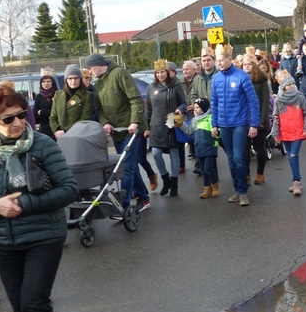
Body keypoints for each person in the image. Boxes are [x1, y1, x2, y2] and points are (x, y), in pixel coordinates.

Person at [0, 85, 78, 312]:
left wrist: (23, 204)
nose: (17, 123)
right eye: (8, 119)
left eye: (21, 115)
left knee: (35, 304)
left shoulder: (43, 145)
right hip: (4, 241)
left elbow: (68, 190)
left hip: (44, 236)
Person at [85, 52, 151, 212]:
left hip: (130, 129)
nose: (89, 71)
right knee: (130, 165)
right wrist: (105, 122)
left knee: (126, 167)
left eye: (90, 68)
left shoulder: (120, 73)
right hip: (116, 131)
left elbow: (135, 99)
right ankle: (143, 196)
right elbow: (99, 109)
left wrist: (135, 121)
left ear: (99, 64)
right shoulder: (99, 83)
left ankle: (124, 205)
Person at [210, 44, 260, 207]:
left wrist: (254, 124)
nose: (219, 63)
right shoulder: (216, 79)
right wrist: (214, 124)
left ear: (230, 59)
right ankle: (237, 190)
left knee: (239, 157)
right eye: (217, 61)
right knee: (231, 159)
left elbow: (253, 101)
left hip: (240, 123)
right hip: (224, 125)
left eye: (221, 60)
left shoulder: (241, 77)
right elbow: (214, 103)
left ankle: (244, 192)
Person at [145, 59, 187, 197]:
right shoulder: (151, 87)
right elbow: (148, 109)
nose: (160, 75)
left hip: (171, 121)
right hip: (156, 125)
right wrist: (147, 126)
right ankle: (165, 179)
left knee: (174, 154)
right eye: (158, 72)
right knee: (156, 153)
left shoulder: (175, 85)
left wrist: (180, 110)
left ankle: (174, 183)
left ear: (168, 72)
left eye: (163, 72)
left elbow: (184, 103)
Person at [272, 74, 306, 196]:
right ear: (283, 87)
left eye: (292, 83)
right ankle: (296, 180)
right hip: (285, 133)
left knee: (293, 155)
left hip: (298, 132)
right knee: (290, 156)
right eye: (288, 84)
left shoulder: (300, 97)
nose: (291, 86)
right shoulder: (278, 100)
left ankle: (296, 182)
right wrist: (276, 132)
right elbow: (276, 117)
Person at [178, 97, 220, 198]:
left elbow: (218, 132)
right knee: (203, 170)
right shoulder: (194, 120)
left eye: (198, 107)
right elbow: (189, 131)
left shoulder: (211, 118)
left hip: (210, 148)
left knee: (208, 168)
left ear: (204, 108)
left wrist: (217, 132)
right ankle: (207, 188)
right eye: (195, 107)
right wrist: (179, 122)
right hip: (199, 149)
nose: (195, 109)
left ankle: (214, 185)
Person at [241, 55, 271, 185]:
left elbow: (265, 101)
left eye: (249, 64)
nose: (246, 66)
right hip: (244, 119)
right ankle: (246, 173)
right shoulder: (239, 79)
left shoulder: (261, 80)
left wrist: (262, 120)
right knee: (245, 148)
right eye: (244, 64)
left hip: (259, 119)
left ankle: (260, 173)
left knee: (260, 147)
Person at [49, 64, 94, 139]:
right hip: (60, 136)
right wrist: (56, 130)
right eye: (70, 78)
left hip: (78, 135)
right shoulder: (58, 94)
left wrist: (65, 131)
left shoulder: (87, 95)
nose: (73, 81)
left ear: (80, 79)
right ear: (66, 80)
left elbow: (85, 119)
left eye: (76, 78)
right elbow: (53, 117)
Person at [33, 74, 59, 140]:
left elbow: (59, 112)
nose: (46, 84)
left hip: (56, 127)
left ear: (52, 83)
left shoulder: (58, 94)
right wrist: (50, 112)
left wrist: (43, 112)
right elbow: (35, 116)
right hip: (44, 128)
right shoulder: (39, 97)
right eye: (43, 82)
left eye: (48, 81)